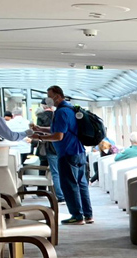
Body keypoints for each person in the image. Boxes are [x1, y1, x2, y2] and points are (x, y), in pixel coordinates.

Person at [31, 86, 94, 225]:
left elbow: (58, 136)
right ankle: (88, 215)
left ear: (57, 96)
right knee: (81, 184)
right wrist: (40, 129)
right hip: (79, 151)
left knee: (69, 185)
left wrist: (39, 137)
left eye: (49, 96)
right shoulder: (70, 109)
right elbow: (60, 129)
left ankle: (77, 216)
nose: (48, 99)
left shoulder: (61, 112)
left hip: (67, 153)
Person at [34, 100, 64, 202]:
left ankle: (45, 192)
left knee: (46, 170)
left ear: (43, 106)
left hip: (46, 147)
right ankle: (60, 194)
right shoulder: (57, 115)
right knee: (57, 171)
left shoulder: (40, 116)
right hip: (58, 146)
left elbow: (38, 132)